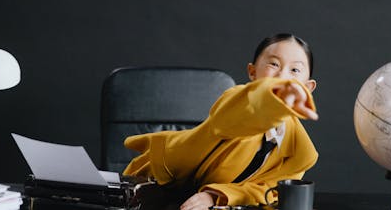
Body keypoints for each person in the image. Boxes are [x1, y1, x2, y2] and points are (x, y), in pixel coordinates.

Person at [123, 33, 319, 209]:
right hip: (151, 185)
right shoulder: (236, 101)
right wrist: (271, 96)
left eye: (295, 70)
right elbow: (242, 114)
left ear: (308, 87)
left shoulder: (300, 152)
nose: (282, 75)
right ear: (252, 72)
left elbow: (268, 190)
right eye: (274, 64)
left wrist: (215, 195)